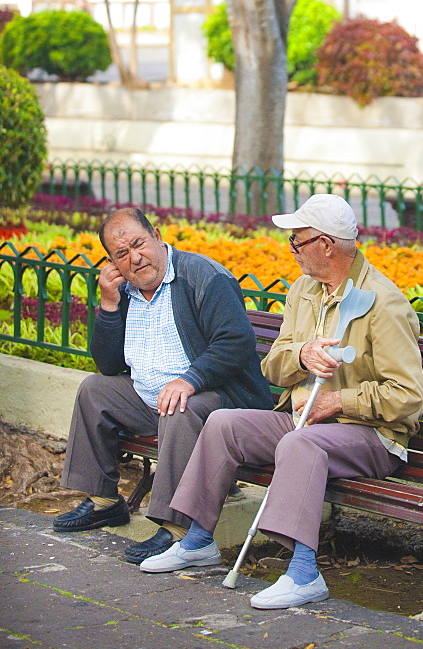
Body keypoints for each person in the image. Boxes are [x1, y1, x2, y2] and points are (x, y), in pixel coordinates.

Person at [140, 193, 423, 610]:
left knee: (298, 444)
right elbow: (273, 367)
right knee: (223, 424)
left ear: (326, 244)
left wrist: (340, 401)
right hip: (305, 422)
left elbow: (407, 397)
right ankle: (198, 539)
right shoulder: (304, 291)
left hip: (372, 438)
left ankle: (304, 573)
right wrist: (302, 354)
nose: (290, 249)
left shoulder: (384, 302)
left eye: (297, 241)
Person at [53, 207, 273, 565]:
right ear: (112, 261)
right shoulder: (125, 291)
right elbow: (108, 366)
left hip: (222, 400)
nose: (135, 258)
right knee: (94, 390)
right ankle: (105, 501)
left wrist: (190, 379)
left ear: (156, 235)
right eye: (121, 254)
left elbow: (235, 341)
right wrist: (108, 305)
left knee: (178, 406)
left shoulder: (203, 277)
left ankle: (179, 526)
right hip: (152, 400)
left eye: (138, 244)